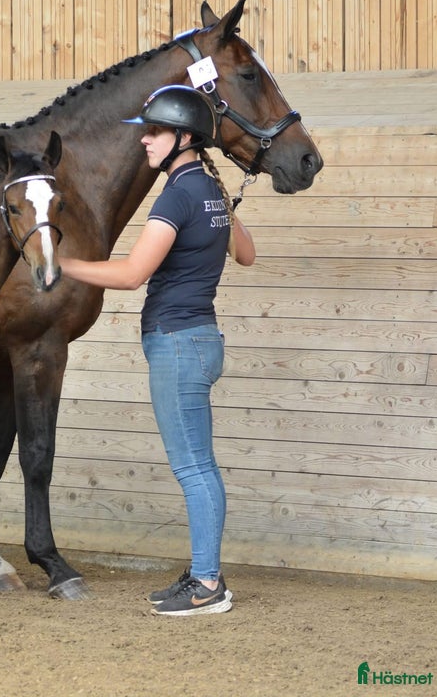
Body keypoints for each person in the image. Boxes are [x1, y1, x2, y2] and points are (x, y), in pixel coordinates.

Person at [59, 85, 255, 616]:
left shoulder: (176, 195)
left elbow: (131, 274)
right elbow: (248, 255)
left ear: (183, 137)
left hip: (177, 342)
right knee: (200, 465)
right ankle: (202, 570)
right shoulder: (210, 187)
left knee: (194, 468)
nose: (144, 140)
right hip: (201, 340)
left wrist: (62, 267)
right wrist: (222, 217)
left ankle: (209, 586)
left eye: (155, 131)